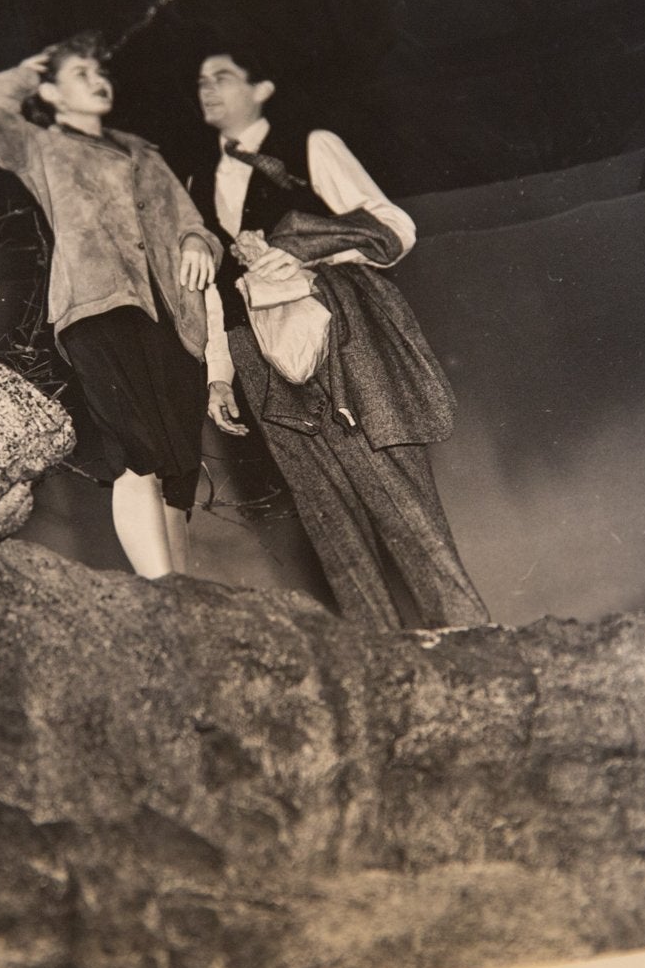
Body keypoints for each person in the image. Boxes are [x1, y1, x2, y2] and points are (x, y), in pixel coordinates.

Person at [190, 48, 490, 630]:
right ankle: (377, 665)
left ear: (263, 85)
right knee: (328, 518)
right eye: (199, 81)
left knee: (400, 501)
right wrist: (219, 373)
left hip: (339, 332)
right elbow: (211, 291)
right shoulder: (199, 181)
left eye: (221, 76)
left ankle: (471, 639)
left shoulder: (311, 142)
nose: (206, 88)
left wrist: (299, 244)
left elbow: (395, 229)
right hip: (255, 354)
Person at [0, 33, 223, 578]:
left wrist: (198, 242)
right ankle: (160, 588)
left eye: (99, 70)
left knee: (179, 465)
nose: (98, 79)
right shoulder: (40, 147)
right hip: (99, 309)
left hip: (172, 317)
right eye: (80, 73)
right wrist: (32, 72)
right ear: (52, 94)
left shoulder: (144, 153)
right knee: (136, 450)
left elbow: (190, 221)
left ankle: (186, 593)